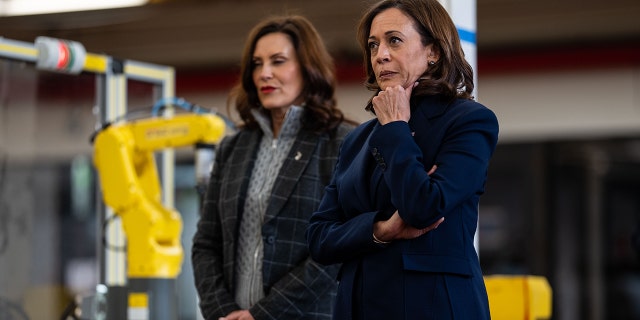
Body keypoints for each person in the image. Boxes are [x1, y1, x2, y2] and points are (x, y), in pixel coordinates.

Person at [306, 0, 499, 319]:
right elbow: (319, 238)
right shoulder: (357, 140)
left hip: (432, 308)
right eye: (373, 45)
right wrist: (380, 229)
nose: (380, 54)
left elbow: (423, 207)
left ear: (433, 51)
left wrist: (395, 127)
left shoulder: (468, 121)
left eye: (394, 40)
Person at [191, 15, 354, 320]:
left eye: (278, 61)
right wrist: (223, 313)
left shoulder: (341, 143)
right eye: (257, 63)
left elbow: (337, 248)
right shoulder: (232, 148)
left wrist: (262, 315)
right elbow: (205, 244)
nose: (265, 73)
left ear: (308, 69)